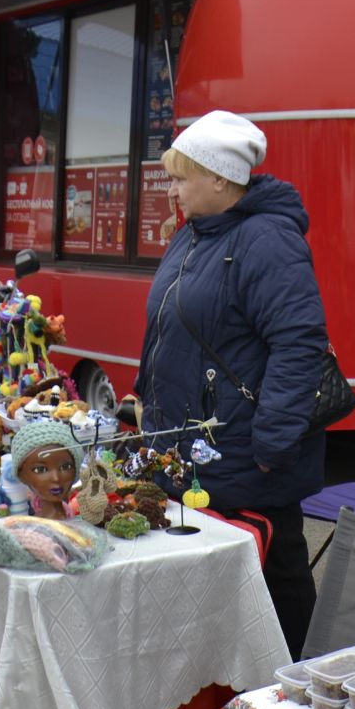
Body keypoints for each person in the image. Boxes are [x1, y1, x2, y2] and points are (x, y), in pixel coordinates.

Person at [134, 110, 328, 658]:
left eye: (180, 176)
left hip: (246, 450)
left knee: (277, 572)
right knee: (212, 580)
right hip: (192, 447)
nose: (171, 188)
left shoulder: (267, 240)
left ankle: (302, 684)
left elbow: (299, 343)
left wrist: (271, 445)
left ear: (220, 178)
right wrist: (141, 392)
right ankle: (227, 693)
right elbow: (165, 324)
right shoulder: (192, 233)